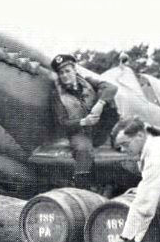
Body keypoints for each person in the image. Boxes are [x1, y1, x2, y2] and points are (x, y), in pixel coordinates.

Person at [50, 54, 118, 188]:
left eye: (67, 71)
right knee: (83, 149)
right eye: (61, 73)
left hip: (99, 129)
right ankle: (82, 185)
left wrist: (100, 104)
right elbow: (61, 123)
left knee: (110, 102)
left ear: (75, 70)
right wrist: (83, 122)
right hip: (79, 132)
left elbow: (112, 88)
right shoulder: (57, 96)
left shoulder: (88, 82)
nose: (65, 75)